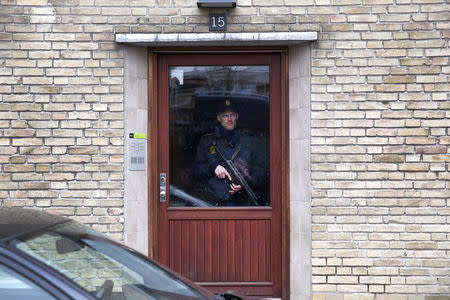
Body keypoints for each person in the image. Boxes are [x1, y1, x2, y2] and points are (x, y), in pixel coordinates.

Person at [192, 100, 257, 206]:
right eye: (225, 115)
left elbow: (260, 172)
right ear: (219, 118)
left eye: (232, 115)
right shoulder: (207, 141)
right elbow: (196, 170)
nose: (229, 119)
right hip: (211, 201)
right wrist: (213, 167)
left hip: (240, 202)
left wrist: (244, 183)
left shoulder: (247, 141)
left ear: (237, 117)